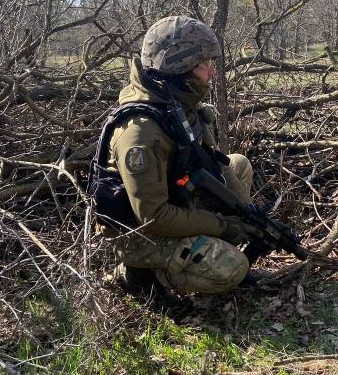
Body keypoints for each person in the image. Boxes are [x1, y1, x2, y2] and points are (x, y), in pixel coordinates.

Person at [99, 15, 259, 296]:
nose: (211, 73)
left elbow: (215, 161)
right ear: (179, 68)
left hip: (177, 200)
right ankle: (140, 274)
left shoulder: (179, 103)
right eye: (204, 65)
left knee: (238, 164)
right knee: (232, 268)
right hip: (139, 233)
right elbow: (153, 217)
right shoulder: (140, 133)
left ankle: (205, 247)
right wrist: (223, 226)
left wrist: (247, 217)